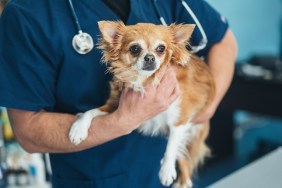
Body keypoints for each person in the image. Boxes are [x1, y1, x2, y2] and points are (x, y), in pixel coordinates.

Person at [0, 0, 237, 187]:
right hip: (95, 179)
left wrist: (205, 107)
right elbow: (28, 130)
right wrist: (122, 120)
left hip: (168, 170)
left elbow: (224, 40)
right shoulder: (26, 14)